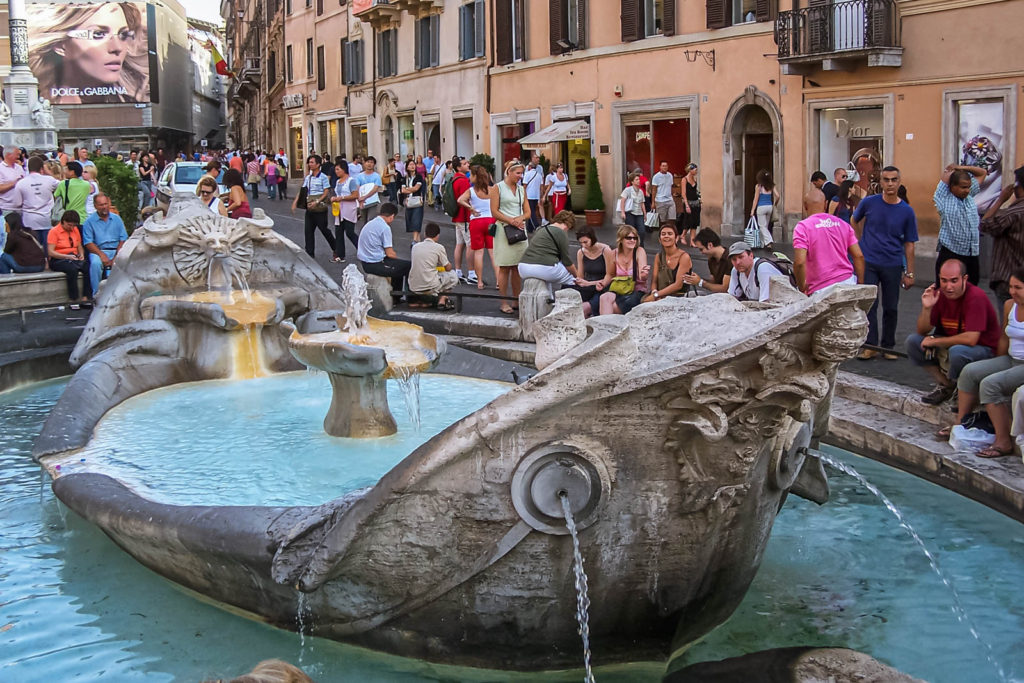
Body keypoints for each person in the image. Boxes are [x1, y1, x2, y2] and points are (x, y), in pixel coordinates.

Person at [950, 268, 1024, 458]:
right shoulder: (1009, 305)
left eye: (1019, 288)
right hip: (1010, 359)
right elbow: (1003, 338)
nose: (1013, 291)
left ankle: (1004, 441)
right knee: (970, 372)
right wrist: (997, 362)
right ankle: (961, 424)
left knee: (990, 384)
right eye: (1011, 287)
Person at [906, 259, 999, 405]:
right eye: (944, 281)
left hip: (983, 350)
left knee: (957, 352)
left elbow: (971, 339)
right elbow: (922, 331)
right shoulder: (939, 294)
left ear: (964, 279)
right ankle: (947, 386)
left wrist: (935, 341)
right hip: (954, 343)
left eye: (954, 281)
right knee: (913, 342)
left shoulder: (975, 297)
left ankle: (962, 390)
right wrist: (927, 308)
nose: (948, 287)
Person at [852, 165, 918, 360]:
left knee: (891, 307)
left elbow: (910, 244)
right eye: (886, 180)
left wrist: (910, 273)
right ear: (880, 183)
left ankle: (887, 346)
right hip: (869, 261)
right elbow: (854, 220)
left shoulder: (906, 211)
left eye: (893, 180)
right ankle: (870, 345)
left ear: (899, 182)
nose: (890, 184)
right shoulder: (869, 203)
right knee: (870, 304)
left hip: (892, 263)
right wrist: (859, 242)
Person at [27, 2, 149, 105]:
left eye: (123, 35)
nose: (117, 48)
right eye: (98, 34)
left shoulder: (135, 102)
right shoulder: (36, 106)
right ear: (60, 45)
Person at [933, 163, 988, 285]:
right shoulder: (944, 199)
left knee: (972, 290)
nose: (967, 190)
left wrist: (961, 168)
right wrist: (952, 170)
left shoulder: (969, 196)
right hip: (952, 252)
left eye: (968, 187)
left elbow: (982, 173)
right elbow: (946, 176)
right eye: (963, 187)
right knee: (947, 290)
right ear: (952, 187)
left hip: (971, 253)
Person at [979, 165, 1024, 306]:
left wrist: (1000, 199)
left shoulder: (1013, 214)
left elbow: (984, 224)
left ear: (1017, 186)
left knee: (1009, 324)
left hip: (1009, 280)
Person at [491, 160, 531, 314]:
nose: (520, 176)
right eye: (518, 173)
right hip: (504, 229)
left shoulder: (521, 189)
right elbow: (494, 211)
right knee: (505, 266)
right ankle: (503, 302)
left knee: (517, 267)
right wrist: (511, 221)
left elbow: (527, 211)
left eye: (522, 173)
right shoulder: (497, 188)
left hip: (519, 229)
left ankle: (516, 300)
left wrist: (520, 219)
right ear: (509, 172)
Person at [792, 213, 864, 295]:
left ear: (805, 206)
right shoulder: (842, 224)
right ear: (825, 204)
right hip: (848, 283)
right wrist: (860, 283)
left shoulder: (803, 227)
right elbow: (859, 256)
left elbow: (800, 263)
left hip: (820, 290)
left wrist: (802, 287)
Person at [517, 210, 582, 296]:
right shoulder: (561, 233)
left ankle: (549, 300)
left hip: (523, 267)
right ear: (569, 224)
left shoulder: (541, 229)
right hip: (544, 268)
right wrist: (578, 277)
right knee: (571, 280)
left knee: (546, 280)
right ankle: (571, 303)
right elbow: (567, 262)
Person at [357, 202, 410, 303]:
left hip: (365, 261)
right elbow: (390, 253)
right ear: (392, 216)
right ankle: (407, 297)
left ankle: (395, 296)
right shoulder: (385, 228)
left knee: (398, 265)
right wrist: (397, 260)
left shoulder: (371, 223)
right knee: (408, 266)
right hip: (375, 263)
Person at [460, 165, 498, 291]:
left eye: (471, 175)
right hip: (490, 220)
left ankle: (479, 281)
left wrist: (470, 208)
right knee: (493, 253)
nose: (469, 177)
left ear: (475, 176)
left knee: (478, 252)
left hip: (476, 221)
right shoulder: (492, 189)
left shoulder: (471, 191)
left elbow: (460, 200)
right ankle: (498, 280)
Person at [82, 193, 128, 296]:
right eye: (100, 205)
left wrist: (117, 255)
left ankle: (123, 294)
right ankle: (97, 294)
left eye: (105, 204)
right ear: (95, 206)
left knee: (126, 261)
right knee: (95, 264)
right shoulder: (89, 222)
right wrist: (101, 255)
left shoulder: (117, 219)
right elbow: (88, 242)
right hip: (98, 250)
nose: (104, 207)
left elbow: (123, 239)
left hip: (116, 249)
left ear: (109, 203)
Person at [598, 224, 649, 315]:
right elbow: (610, 274)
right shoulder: (613, 253)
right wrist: (603, 283)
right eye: (628, 238)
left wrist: (644, 274)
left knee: (612, 307)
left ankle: (608, 326)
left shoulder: (639, 251)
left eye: (635, 238)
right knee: (604, 297)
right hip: (619, 289)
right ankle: (606, 326)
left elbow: (642, 276)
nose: (632, 240)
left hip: (635, 291)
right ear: (621, 239)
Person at [291, 154, 335, 258]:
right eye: (309, 162)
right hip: (310, 207)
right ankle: (309, 253)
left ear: (318, 164)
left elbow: (326, 191)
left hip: (320, 208)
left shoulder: (323, 177)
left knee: (324, 230)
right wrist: (295, 203)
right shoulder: (308, 178)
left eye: (312, 162)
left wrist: (317, 201)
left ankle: (335, 247)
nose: (310, 164)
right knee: (308, 231)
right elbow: (302, 191)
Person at [47, 210, 93, 305]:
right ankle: (73, 298)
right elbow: (51, 252)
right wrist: (66, 256)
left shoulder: (75, 230)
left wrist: (81, 254)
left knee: (87, 267)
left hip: (73, 256)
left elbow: (79, 245)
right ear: (63, 221)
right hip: (59, 258)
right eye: (69, 225)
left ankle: (86, 296)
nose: (71, 228)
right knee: (72, 270)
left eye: (73, 225)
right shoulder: (54, 231)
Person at [409, 222, 458, 309]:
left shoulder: (415, 247)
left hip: (414, 285)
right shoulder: (439, 247)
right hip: (430, 285)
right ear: (437, 235)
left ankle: (421, 301)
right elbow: (448, 267)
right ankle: (442, 300)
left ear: (425, 234)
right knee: (453, 276)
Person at [643, 222, 693, 302]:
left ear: (676, 238)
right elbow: (654, 280)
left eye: (670, 234)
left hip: (677, 298)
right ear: (659, 239)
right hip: (659, 295)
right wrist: (654, 291)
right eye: (663, 234)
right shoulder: (658, 256)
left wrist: (657, 295)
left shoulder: (684, 257)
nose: (666, 236)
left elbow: (678, 285)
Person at [573, 225, 613, 317]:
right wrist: (579, 281)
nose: (583, 245)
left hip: (602, 286)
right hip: (587, 287)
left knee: (584, 308)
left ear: (592, 238)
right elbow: (580, 275)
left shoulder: (605, 250)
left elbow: (610, 275)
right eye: (581, 243)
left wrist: (589, 283)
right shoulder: (581, 252)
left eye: (585, 242)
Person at [15, 156, 58, 242]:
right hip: (46, 219)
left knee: (33, 249)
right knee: (47, 248)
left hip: (29, 221)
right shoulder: (50, 180)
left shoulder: (21, 183)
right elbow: (61, 185)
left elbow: (17, 203)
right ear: (42, 168)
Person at [683, 228, 732, 294]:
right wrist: (695, 279)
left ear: (710, 245)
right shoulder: (712, 259)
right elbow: (713, 283)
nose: (701, 252)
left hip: (731, 297)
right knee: (691, 294)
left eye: (701, 249)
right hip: (718, 295)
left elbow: (725, 288)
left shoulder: (730, 259)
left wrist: (700, 282)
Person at [449, 156, 474, 284]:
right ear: (459, 167)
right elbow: (465, 200)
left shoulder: (454, 179)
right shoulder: (463, 181)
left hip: (457, 216)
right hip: (464, 217)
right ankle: (471, 273)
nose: (468, 164)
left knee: (460, 244)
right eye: (465, 163)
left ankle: (458, 271)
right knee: (470, 245)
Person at [330, 162, 359, 263]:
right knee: (338, 232)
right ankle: (340, 255)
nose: (336, 171)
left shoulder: (351, 181)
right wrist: (334, 198)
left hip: (349, 209)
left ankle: (362, 249)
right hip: (339, 210)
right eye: (335, 169)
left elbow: (355, 195)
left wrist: (342, 198)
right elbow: (337, 193)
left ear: (344, 169)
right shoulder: (338, 182)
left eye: (338, 169)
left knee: (350, 232)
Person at [54, 161, 92, 227]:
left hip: (68, 219)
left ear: (72, 172)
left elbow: (55, 197)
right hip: (82, 218)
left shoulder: (63, 184)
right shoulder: (86, 184)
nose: (65, 171)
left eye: (67, 169)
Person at [749, 169, 778, 250]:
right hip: (769, 207)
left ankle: (769, 241)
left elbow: (756, 199)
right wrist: (775, 204)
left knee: (762, 226)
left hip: (761, 207)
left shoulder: (759, 186)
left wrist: (752, 210)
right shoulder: (772, 186)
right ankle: (763, 244)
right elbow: (778, 196)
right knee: (765, 226)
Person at [399, 159, 426, 243]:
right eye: (410, 164)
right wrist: (409, 190)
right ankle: (418, 241)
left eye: (413, 164)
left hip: (417, 201)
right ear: (407, 167)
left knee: (416, 220)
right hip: (408, 201)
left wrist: (407, 189)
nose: (412, 166)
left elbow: (416, 188)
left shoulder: (419, 177)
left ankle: (414, 241)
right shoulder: (405, 178)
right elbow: (402, 190)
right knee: (411, 220)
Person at [619, 173, 647, 245]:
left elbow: (642, 203)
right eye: (636, 180)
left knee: (642, 231)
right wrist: (622, 212)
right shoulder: (627, 190)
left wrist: (645, 214)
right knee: (631, 231)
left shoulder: (640, 191)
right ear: (632, 182)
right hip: (630, 212)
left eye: (639, 179)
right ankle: (630, 245)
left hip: (639, 213)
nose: (638, 181)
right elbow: (622, 201)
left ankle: (640, 245)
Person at [356, 156, 384, 228]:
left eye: (371, 162)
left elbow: (375, 189)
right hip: (362, 201)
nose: (369, 164)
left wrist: (364, 197)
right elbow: (357, 188)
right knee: (363, 221)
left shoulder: (376, 176)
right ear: (364, 163)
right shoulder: (359, 176)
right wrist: (360, 199)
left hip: (372, 201)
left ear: (374, 164)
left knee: (371, 220)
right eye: (368, 162)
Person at [678, 163, 700, 247]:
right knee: (688, 221)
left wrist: (699, 199)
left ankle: (692, 241)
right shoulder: (684, 179)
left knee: (695, 223)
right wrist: (686, 205)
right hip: (689, 202)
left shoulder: (695, 179)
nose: (696, 171)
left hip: (696, 203)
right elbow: (683, 193)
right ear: (690, 170)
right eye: (695, 170)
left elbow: (695, 191)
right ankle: (682, 235)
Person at [0, 146, 25, 213]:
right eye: (17, 154)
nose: (18, 157)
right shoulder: (1, 169)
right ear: (8, 155)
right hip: (7, 209)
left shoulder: (19, 168)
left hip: (22, 208)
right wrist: (14, 183)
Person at [523, 154, 545, 231]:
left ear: (529, 167)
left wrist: (523, 194)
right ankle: (530, 227)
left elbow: (524, 185)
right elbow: (541, 185)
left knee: (530, 211)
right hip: (536, 195)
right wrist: (541, 194)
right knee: (533, 210)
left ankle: (535, 225)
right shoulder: (539, 175)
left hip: (529, 195)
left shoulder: (527, 174)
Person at [651, 160, 675, 228]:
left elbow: (671, 187)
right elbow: (654, 190)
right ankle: (662, 233)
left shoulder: (670, 175)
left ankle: (670, 232)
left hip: (670, 200)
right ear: (660, 167)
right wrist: (653, 202)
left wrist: (673, 196)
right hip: (660, 200)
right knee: (662, 220)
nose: (664, 167)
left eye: (666, 166)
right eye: (663, 166)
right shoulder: (656, 177)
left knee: (672, 218)